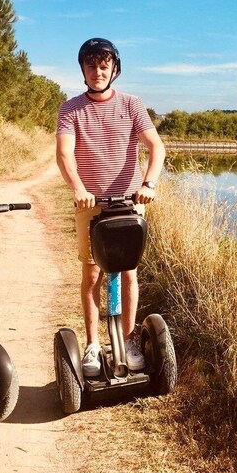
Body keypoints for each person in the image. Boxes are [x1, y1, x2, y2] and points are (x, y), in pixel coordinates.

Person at [56, 37, 165, 375]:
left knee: (128, 271)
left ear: (114, 69)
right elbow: (64, 154)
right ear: (83, 70)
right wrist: (78, 188)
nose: (97, 71)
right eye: (91, 65)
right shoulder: (70, 109)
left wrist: (148, 184)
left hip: (131, 201)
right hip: (91, 203)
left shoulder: (132, 104)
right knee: (92, 273)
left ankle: (129, 340)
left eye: (104, 66)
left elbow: (155, 147)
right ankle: (91, 344)